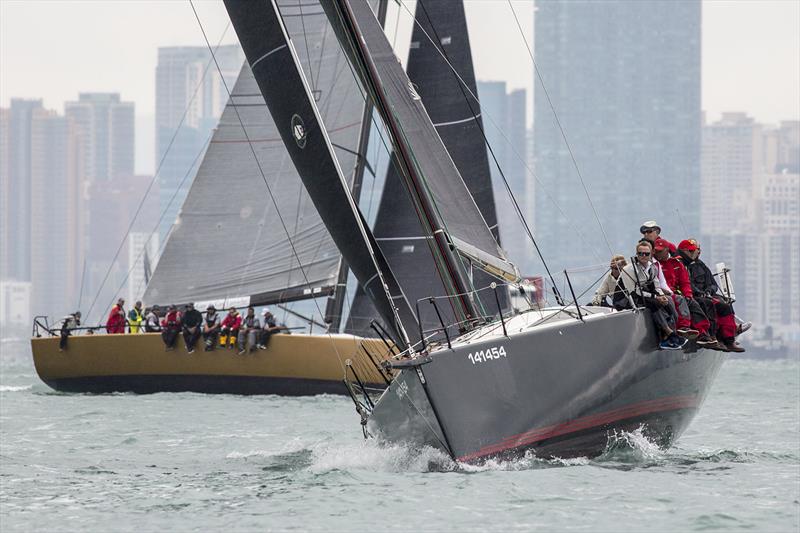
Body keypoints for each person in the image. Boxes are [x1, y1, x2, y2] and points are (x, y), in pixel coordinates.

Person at [677, 239, 750, 353]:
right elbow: (685, 283)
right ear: (683, 251)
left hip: (706, 295)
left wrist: (708, 291)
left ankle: (729, 338)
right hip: (694, 296)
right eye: (691, 251)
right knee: (710, 305)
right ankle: (714, 336)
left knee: (725, 304)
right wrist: (698, 292)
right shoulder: (679, 264)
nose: (695, 253)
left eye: (696, 250)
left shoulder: (701, 265)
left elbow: (712, 284)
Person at [619, 241, 686, 350]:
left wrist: (661, 295)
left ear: (651, 254)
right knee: (655, 303)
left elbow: (656, 284)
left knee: (669, 300)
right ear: (636, 254)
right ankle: (669, 333)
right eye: (640, 253)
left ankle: (672, 333)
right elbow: (635, 291)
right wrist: (656, 297)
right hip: (628, 298)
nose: (643, 256)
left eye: (646, 254)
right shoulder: (629, 270)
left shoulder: (652, 267)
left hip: (644, 295)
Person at [652, 238, 715, 344]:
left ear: (667, 250)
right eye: (656, 251)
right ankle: (683, 327)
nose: (657, 253)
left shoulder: (676, 263)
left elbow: (685, 282)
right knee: (679, 300)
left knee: (693, 303)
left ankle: (704, 333)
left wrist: (688, 295)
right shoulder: (654, 264)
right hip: (666, 294)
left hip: (677, 292)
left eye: (660, 251)